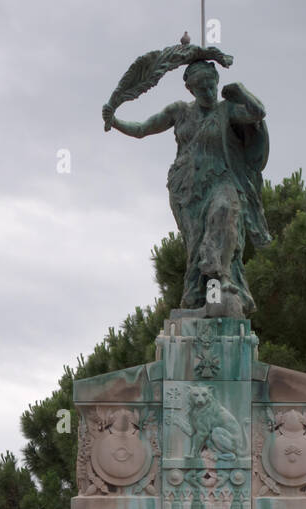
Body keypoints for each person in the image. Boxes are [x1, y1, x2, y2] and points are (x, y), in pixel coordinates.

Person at [104, 59, 271, 317]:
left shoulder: (228, 110)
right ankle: (198, 298)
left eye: (211, 85)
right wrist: (114, 120)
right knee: (196, 244)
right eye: (200, 87)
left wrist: (240, 91)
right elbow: (141, 130)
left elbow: (257, 113)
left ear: (217, 82)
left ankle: (221, 277)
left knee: (225, 212)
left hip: (222, 178)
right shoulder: (179, 111)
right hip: (187, 189)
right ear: (190, 89)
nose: (207, 91)